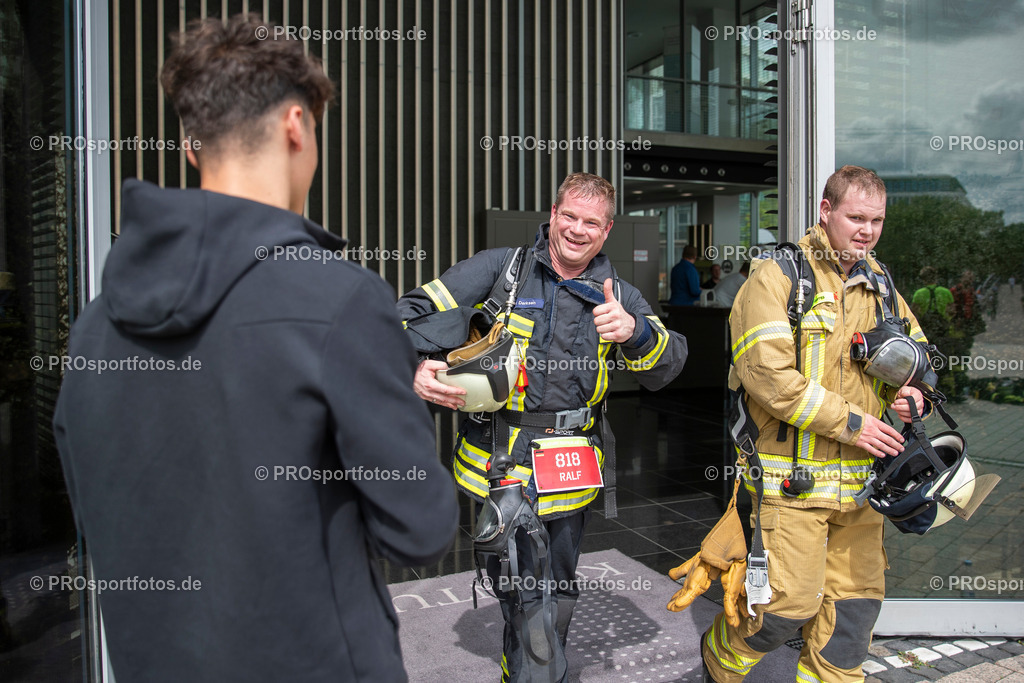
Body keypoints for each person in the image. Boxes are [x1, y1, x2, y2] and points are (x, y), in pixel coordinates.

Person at [53, 14, 457, 682]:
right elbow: (420, 528)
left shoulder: (94, 328)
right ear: (296, 125)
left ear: (192, 148)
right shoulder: (341, 301)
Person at [397, 172, 687, 682]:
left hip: (573, 471)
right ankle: (535, 668)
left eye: (591, 223)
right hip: (504, 463)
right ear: (553, 215)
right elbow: (408, 312)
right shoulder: (501, 269)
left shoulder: (614, 292)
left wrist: (636, 331)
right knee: (525, 588)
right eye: (569, 216)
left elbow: (668, 367)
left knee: (557, 582)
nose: (578, 230)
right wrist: (416, 364)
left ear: (607, 229)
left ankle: (535, 659)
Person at [702, 166, 927, 682]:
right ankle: (720, 655)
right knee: (782, 613)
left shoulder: (881, 285)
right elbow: (768, 376)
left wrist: (916, 396)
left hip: (862, 488)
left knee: (852, 618)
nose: (866, 231)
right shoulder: (778, 276)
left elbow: (914, 360)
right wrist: (851, 424)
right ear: (826, 212)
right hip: (792, 487)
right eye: (855, 218)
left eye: (877, 220)